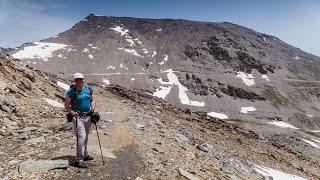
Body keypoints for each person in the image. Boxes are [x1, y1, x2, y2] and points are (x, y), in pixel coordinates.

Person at [65, 72, 96, 168]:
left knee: (86, 136)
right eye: (77, 79)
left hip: (88, 116)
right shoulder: (71, 91)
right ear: (74, 81)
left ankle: (85, 154)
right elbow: (66, 105)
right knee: (81, 137)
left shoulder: (88, 89)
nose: (79, 81)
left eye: (81, 79)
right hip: (78, 117)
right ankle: (79, 159)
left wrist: (93, 108)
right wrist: (72, 112)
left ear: (83, 80)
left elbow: (92, 100)